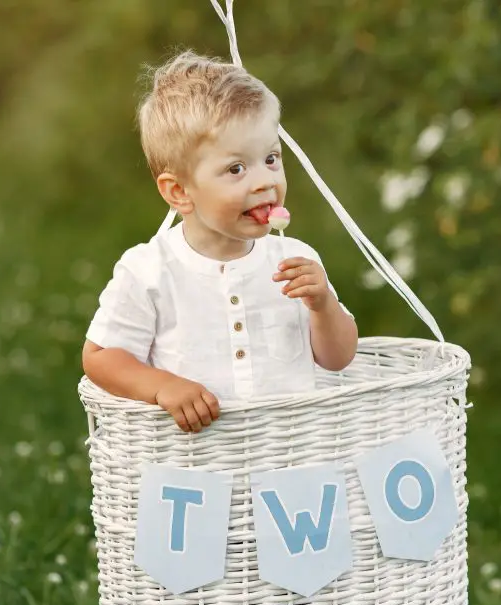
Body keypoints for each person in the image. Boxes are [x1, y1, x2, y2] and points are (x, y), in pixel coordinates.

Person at [82, 50, 358, 434]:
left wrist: (323, 305)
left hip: (291, 454)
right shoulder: (150, 270)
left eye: (272, 159)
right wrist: (163, 387)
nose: (265, 181)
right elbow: (100, 357)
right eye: (236, 168)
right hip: (198, 461)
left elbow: (337, 359)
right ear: (179, 192)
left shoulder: (294, 259)